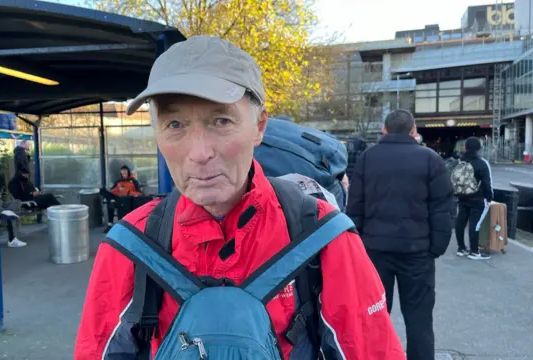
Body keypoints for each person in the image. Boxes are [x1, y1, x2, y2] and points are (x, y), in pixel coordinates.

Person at [75, 35, 405, 360]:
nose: (200, 153)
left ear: (259, 126)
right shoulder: (129, 246)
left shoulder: (322, 237)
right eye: (175, 124)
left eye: (221, 120)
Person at [346, 109, 453, 360]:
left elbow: (355, 206)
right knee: (419, 320)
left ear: (384, 130)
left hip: (374, 252)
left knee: (374, 316)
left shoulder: (367, 158)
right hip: (417, 253)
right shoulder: (430, 159)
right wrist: (436, 247)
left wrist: (356, 245)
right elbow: (443, 208)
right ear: (413, 131)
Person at [453, 136, 493, 260]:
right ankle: (474, 252)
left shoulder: (458, 161)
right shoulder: (482, 163)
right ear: (479, 148)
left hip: (461, 197)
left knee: (460, 222)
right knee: (475, 224)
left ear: (465, 147)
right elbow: (487, 182)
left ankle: (461, 248)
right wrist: (489, 197)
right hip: (477, 198)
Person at [100, 165, 142, 230]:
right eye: (122, 174)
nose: (124, 175)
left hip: (127, 199)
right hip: (117, 196)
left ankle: (112, 201)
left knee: (111, 203)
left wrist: (128, 192)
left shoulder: (133, 181)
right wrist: (116, 190)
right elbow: (112, 190)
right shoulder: (118, 181)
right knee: (102, 190)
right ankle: (111, 200)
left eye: (125, 173)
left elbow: (139, 193)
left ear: (128, 173)